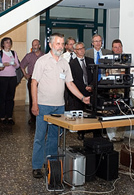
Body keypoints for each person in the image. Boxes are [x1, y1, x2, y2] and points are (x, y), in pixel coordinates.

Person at [31, 33, 90, 178]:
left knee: (54, 137)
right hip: (43, 105)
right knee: (40, 136)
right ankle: (37, 166)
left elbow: (69, 83)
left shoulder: (64, 63)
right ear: (50, 45)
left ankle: (51, 164)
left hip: (59, 107)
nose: (61, 46)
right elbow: (34, 82)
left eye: (62, 44)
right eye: (58, 43)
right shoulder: (42, 61)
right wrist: (34, 103)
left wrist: (83, 98)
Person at [20, 39, 44, 124]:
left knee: (41, 98)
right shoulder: (28, 56)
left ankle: (41, 116)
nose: (34, 47)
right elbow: (22, 65)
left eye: (36, 45)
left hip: (42, 80)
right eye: (33, 45)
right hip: (32, 79)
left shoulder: (44, 56)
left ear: (39, 46)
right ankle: (33, 118)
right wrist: (25, 74)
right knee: (32, 98)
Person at [0, 37, 20, 125]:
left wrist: (14, 64)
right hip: (2, 77)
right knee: (2, 97)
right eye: (6, 42)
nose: (8, 44)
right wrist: (3, 64)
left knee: (10, 98)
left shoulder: (14, 53)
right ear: (3, 44)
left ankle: (9, 116)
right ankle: (2, 117)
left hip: (12, 77)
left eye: (10, 42)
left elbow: (18, 65)